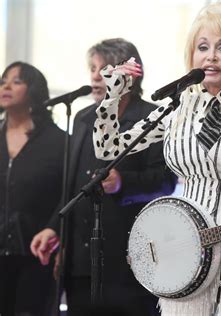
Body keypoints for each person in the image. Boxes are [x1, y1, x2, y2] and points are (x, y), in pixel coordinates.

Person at [92, 3, 221, 315]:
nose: (211, 56)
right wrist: (113, 97)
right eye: (203, 47)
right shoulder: (175, 109)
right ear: (192, 56)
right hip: (183, 250)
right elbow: (109, 150)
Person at [30, 38, 176, 316]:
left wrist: (123, 183)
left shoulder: (153, 118)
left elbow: (165, 181)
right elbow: (73, 186)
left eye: (105, 68)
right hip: (81, 261)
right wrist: (54, 229)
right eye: (93, 68)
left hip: (130, 257)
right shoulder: (83, 117)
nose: (96, 76)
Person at [0, 62, 65, 316]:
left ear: (34, 90)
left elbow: (67, 194)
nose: (6, 85)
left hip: (38, 254)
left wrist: (57, 234)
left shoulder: (59, 141)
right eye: (4, 80)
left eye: (17, 81)